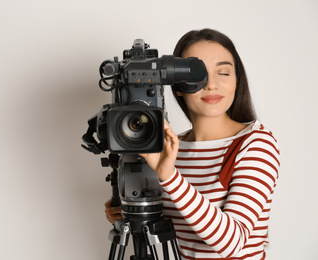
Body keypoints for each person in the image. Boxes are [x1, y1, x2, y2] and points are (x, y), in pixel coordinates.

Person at [105, 28, 280, 259]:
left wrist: (169, 177)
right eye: (198, 74)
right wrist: (126, 207)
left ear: (237, 81)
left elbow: (232, 242)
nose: (211, 85)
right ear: (177, 86)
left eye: (224, 73)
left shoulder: (256, 143)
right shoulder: (168, 147)